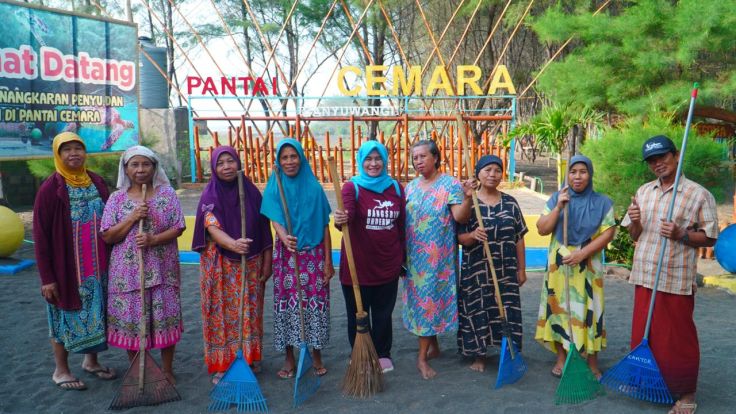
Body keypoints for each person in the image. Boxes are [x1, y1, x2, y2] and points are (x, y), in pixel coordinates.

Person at [622, 135, 718, 414]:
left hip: (674, 276)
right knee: (646, 333)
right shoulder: (643, 191)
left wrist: (682, 234)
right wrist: (635, 222)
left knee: (677, 338)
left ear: (676, 155)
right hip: (644, 273)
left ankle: (686, 395)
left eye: (662, 157)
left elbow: (710, 237)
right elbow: (634, 235)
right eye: (652, 160)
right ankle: (648, 382)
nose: (657, 164)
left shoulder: (698, 194)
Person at [33, 132, 117, 390]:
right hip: (67, 269)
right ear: (58, 155)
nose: (73, 154)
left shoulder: (96, 182)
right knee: (61, 316)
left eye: (78, 148)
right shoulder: (51, 189)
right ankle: (61, 370)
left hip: (98, 267)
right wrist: (47, 278)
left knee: (97, 313)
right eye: (66, 150)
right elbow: (41, 235)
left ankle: (91, 361)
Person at [101, 145, 185, 384]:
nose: (140, 170)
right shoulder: (116, 199)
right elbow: (108, 236)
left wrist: (153, 239)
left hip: (162, 269)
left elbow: (178, 226)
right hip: (127, 274)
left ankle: (167, 370)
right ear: (126, 169)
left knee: (164, 318)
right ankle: (141, 369)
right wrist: (132, 217)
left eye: (145, 164)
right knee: (134, 323)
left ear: (154, 167)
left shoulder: (166, 194)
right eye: (134, 165)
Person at [192, 146, 273, 384]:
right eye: (221, 163)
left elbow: (264, 228)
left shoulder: (252, 192)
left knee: (249, 310)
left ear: (238, 163)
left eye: (230, 161)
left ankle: (248, 358)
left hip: (251, 264)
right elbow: (211, 226)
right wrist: (233, 244)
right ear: (214, 168)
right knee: (222, 313)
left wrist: (267, 262)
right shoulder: (210, 195)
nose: (226, 167)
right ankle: (224, 362)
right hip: (221, 266)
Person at [535, 155, 615, 379]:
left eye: (582, 171)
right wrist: (559, 207)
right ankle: (562, 357)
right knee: (558, 308)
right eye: (573, 172)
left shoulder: (603, 202)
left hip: (588, 263)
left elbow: (608, 233)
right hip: (559, 265)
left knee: (591, 309)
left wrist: (582, 254)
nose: (577, 176)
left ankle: (591, 361)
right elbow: (542, 228)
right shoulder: (556, 198)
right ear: (567, 175)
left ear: (590, 175)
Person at [260, 138, 334, 379]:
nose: (289, 162)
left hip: (314, 256)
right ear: (278, 162)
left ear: (301, 158)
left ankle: (316, 355)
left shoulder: (314, 188)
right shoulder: (275, 185)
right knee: (287, 305)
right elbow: (274, 217)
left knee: (316, 304)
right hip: (287, 256)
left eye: (294, 156)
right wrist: (283, 236)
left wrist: (328, 263)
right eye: (284, 157)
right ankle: (289, 357)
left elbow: (324, 226)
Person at [403, 139, 474, 380]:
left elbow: (460, 217)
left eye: (423, 156)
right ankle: (432, 346)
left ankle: (421, 359)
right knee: (421, 303)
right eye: (415, 158)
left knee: (429, 303)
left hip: (438, 260)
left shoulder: (450, 184)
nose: (418, 161)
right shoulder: (410, 187)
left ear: (435, 157)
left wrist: (467, 198)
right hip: (414, 258)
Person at [333, 140, 405, 374]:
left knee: (384, 314)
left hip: (388, 264)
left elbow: (401, 225)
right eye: (368, 159)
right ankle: (360, 352)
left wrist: (403, 259)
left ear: (384, 160)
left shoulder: (395, 187)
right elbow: (346, 218)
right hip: (358, 266)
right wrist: (340, 219)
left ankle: (383, 353)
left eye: (378, 159)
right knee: (358, 314)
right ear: (360, 161)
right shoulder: (351, 187)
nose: (373, 164)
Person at [457, 155, 528, 372]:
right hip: (477, 269)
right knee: (478, 309)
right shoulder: (470, 202)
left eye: (497, 170)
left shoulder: (510, 203)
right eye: (487, 170)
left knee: (506, 310)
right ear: (478, 173)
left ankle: (509, 351)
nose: (492, 174)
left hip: (505, 269)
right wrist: (473, 235)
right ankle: (479, 355)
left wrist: (521, 268)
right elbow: (460, 236)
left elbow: (519, 236)